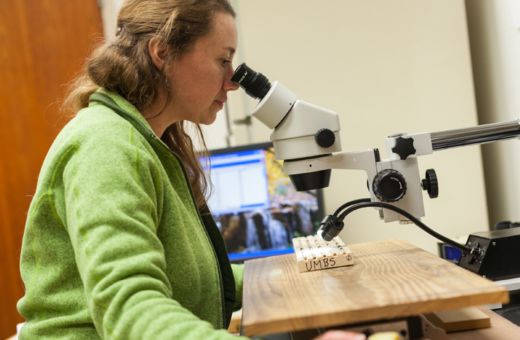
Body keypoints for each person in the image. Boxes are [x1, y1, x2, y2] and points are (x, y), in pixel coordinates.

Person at [16, 1, 366, 339]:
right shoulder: (105, 145)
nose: (232, 81)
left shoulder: (149, 145)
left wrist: (293, 270)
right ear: (162, 52)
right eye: (223, 60)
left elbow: (200, 279)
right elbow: (129, 310)